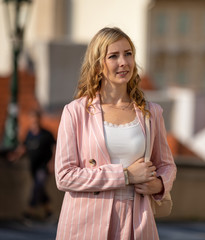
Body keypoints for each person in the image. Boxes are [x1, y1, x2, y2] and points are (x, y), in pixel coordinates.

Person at [55, 27, 177, 240]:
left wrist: (158, 184)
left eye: (128, 53)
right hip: (86, 222)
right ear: (98, 65)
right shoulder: (75, 112)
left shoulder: (151, 113)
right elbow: (64, 176)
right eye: (113, 56)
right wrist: (126, 176)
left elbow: (167, 165)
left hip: (136, 220)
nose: (124, 62)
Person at [10, 110, 55, 219]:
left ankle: (30, 211)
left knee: (38, 186)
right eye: (33, 120)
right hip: (33, 167)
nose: (35, 122)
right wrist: (15, 156)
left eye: (36, 120)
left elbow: (55, 148)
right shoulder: (29, 134)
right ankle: (48, 211)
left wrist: (52, 162)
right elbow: (24, 147)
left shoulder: (47, 134)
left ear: (40, 120)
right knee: (39, 188)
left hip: (44, 166)